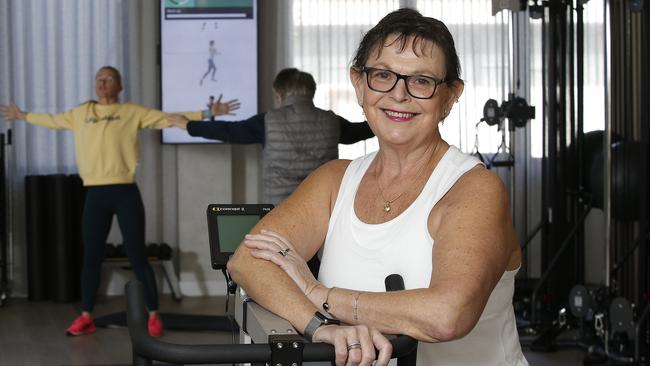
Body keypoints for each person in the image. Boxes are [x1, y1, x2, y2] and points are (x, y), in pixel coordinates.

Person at [226, 9, 528, 366]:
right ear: (359, 83)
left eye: (421, 81)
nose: (399, 94)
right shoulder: (334, 180)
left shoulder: (475, 189)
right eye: (383, 75)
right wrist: (318, 326)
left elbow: (448, 314)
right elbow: (246, 261)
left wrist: (318, 293)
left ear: (450, 96)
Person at [0, 66, 239, 338]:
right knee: (91, 257)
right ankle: (86, 316)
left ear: (120, 85)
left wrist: (209, 114)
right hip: (95, 194)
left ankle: (153, 316)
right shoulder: (81, 113)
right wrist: (22, 116)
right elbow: (52, 120)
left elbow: (170, 119)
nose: (102, 83)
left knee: (137, 257)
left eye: (109, 79)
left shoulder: (131, 112)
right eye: (99, 79)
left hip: (125, 192)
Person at [168, 68, 375, 205]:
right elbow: (360, 132)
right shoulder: (331, 121)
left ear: (279, 95)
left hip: (279, 209)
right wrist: (393, 121)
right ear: (311, 92)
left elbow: (229, 131)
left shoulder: (267, 121)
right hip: (324, 205)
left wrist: (188, 125)